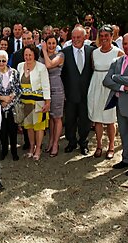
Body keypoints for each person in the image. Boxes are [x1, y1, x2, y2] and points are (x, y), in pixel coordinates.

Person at [88, 25, 124, 159]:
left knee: (110, 119)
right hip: (96, 86)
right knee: (97, 119)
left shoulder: (118, 52)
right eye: (101, 36)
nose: (103, 38)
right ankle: (98, 146)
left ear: (112, 36)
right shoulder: (95, 52)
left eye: (106, 36)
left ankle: (111, 147)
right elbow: (93, 68)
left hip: (110, 88)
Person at [61, 26, 94, 155]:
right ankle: (71, 142)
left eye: (78, 37)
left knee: (85, 120)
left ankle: (83, 143)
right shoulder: (65, 52)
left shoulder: (91, 51)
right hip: (70, 94)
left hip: (86, 94)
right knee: (70, 120)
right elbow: (62, 74)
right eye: (73, 37)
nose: (75, 40)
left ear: (85, 37)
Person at [17, 44, 51, 161]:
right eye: (26, 55)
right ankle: (31, 147)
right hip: (25, 101)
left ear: (34, 55)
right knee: (29, 126)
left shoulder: (41, 67)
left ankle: (38, 148)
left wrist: (47, 102)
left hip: (38, 101)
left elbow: (46, 85)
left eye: (30, 55)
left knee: (39, 127)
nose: (27, 57)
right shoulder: (20, 66)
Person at [0, 50, 21, 161]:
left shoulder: (14, 72)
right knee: (2, 130)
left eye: (4, 60)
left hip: (12, 106)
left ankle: (14, 151)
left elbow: (18, 90)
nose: (1, 63)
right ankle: (3, 151)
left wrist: (9, 101)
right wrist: (2, 99)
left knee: (13, 131)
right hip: (0, 106)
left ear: (7, 61)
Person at [103, 33, 128, 170]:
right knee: (124, 134)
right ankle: (126, 159)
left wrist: (115, 77)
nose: (126, 46)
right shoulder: (117, 61)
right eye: (124, 43)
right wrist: (122, 86)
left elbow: (112, 78)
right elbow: (106, 80)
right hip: (119, 104)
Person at [39, 35, 65, 157]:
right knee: (49, 118)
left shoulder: (60, 55)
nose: (51, 45)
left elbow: (49, 65)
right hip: (45, 89)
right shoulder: (41, 56)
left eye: (53, 43)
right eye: (48, 43)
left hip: (56, 88)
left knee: (57, 117)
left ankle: (55, 143)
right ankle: (50, 141)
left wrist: (44, 50)